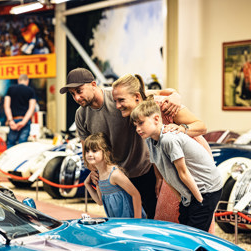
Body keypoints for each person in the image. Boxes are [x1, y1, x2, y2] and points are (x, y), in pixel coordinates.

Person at [59, 68, 180, 219]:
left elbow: (165, 93)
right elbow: (87, 152)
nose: (77, 97)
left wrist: (176, 96)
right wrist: (93, 171)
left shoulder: (118, 95)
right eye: (72, 94)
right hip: (116, 178)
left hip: (143, 170)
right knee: (124, 222)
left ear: (93, 84)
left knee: (153, 221)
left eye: (79, 91)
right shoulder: (80, 115)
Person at [111, 74, 215, 229]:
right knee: (172, 211)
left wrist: (181, 129)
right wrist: (159, 177)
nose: (117, 106)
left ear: (137, 97)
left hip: (188, 159)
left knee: (193, 211)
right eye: (115, 101)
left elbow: (202, 126)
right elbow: (154, 150)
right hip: (170, 163)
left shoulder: (163, 105)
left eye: (121, 100)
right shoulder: (140, 117)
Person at [130, 100, 223, 231]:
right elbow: (167, 175)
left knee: (195, 233)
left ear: (157, 119)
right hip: (191, 191)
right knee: (184, 226)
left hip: (206, 189)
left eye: (141, 123)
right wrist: (183, 200)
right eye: (135, 125)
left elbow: (183, 173)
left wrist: (199, 201)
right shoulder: (150, 140)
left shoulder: (169, 139)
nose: (138, 129)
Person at [83, 133, 146, 219]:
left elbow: (136, 195)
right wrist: (87, 183)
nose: (89, 154)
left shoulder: (114, 174)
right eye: (87, 151)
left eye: (94, 151)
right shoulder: (99, 175)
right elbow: (100, 201)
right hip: (117, 222)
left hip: (130, 220)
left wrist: (137, 221)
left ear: (106, 153)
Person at [4, 74, 37, 148]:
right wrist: (23, 122)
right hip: (25, 121)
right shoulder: (30, 91)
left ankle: (11, 159)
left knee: (11, 144)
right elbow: (32, 108)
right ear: (27, 81)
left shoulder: (10, 89)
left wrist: (10, 121)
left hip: (13, 120)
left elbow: (6, 106)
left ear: (18, 80)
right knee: (22, 145)